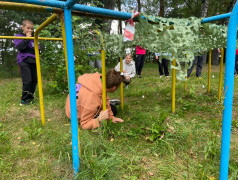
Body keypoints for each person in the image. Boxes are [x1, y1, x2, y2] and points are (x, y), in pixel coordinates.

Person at [14, 20, 38, 105]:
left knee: (34, 80)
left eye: (31, 29)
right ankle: (23, 100)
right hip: (24, 61)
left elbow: (37, 49)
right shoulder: (18, 36)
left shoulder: (34, 37)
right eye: (28, 28)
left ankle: (30, 98)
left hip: (34, 61)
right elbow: (20, 48)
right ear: (22, 27)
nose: (30, 30)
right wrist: (27, 39)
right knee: (28, 81)